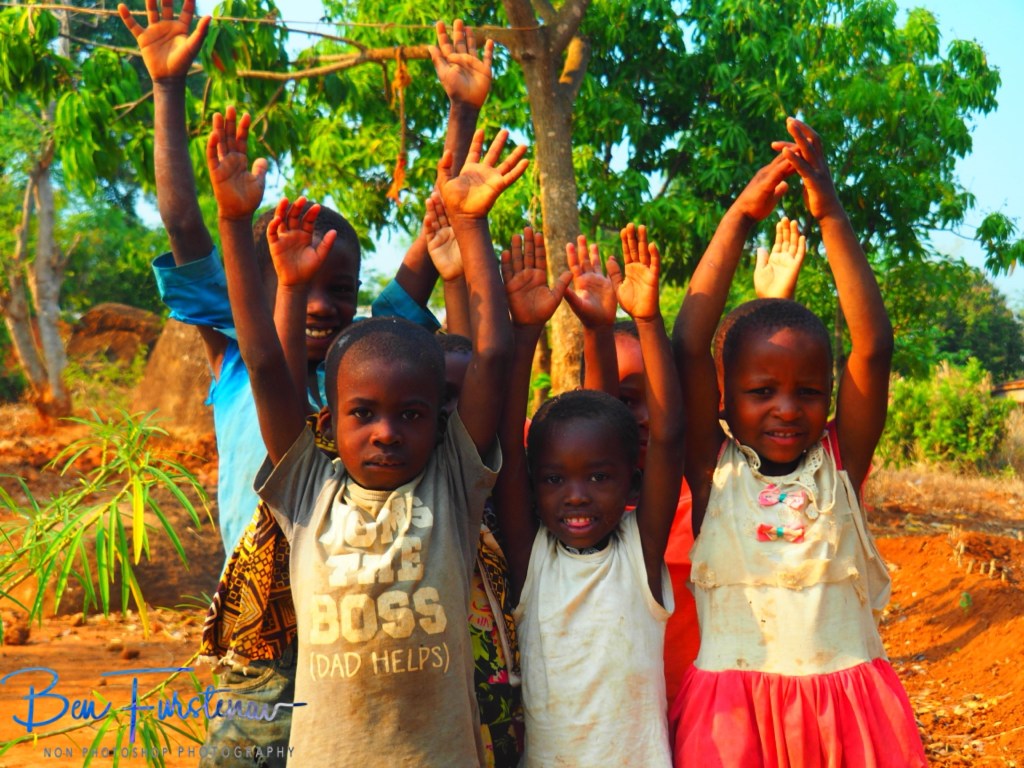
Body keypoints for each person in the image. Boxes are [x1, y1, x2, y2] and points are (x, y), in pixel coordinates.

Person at [207, 102, 523, 765]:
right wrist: (239, 229)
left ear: (439, 421)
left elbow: (493, 356)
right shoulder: (307, 489)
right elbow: (266, 364)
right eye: (363, 414)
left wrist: (471, 224)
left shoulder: (453, 485)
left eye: (411, 414)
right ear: (326, 420)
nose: (386, 432)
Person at [670, 117, 926, 766]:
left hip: (847, 715)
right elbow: (688, 345)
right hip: (732, 718)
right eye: (762, 391)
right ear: (723, 397)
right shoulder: (712, 469)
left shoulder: (839, 465)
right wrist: (739, 218)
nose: (787, 409)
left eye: (809, 392)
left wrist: (830, 210)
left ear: (830, 397)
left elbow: (873, 345)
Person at [566, 219, 805, 706]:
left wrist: (775, 307)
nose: (642, 417)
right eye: (625, 399)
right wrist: (596, 330)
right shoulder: (570, 508)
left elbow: (772, 395)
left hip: (713, 716)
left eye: (658, 398)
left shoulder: (712, 483)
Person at [494, 224, 684, 766]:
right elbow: (505, 444)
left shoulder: (639, 553)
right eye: (554, 479)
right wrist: (524, 331)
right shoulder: (532, 559)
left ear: (631, 482)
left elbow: (668, 436)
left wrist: (647, 320)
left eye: (598, 478)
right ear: (533, 485)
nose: (575, 496)